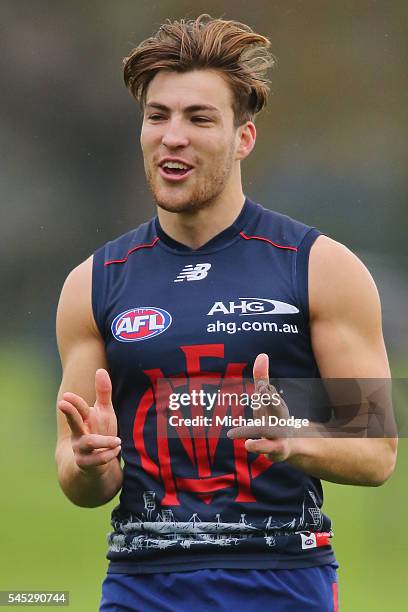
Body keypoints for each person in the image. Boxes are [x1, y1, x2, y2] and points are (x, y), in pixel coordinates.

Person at [55, 14, 397, 611]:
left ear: (244, 138)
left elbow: (377, 452)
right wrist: (89, 463)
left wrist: (293, 438)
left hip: (281, 578)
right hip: (141, 585)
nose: (172, 136)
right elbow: (83, 480)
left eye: (199, 118)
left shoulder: (315, 268)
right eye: (157, 116)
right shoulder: (95, 282)